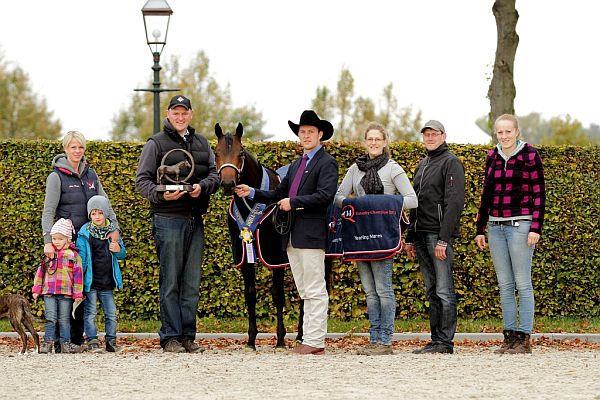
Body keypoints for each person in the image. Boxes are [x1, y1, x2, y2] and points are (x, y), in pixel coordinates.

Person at [235, 110, 338, 355]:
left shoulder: (327, 163)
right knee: (304, 289)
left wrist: (294, 202)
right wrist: (250, 192)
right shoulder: (296, 164)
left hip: (312, 235)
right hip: (292, 235)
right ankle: (310, 339)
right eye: (302, 132)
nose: (306, 136)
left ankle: (315, 341)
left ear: (320, 134)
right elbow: (276, 194)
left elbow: (325, 196)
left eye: (310, 132)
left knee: (314, 289)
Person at [135, 95, 220, 353]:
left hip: (195, 219)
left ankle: (187, 335)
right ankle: (170, 336)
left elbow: (215, 176)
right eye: (176, 112)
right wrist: (161, 195)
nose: (180, 117)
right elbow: (143, 181)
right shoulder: (155, 144)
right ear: (169, 114)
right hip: (168, 219)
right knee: (171, 280)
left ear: (191, 114)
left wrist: (201, 187)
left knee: (191, 282)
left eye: (184, 112)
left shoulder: (202, 143)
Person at [334, 122, 418, 355]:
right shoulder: (355, 169)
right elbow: (338, 196)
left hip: (384, 236)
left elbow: (412, 199)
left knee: (383, 290)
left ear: (385, 142)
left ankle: (385, 341)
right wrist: (356, 204)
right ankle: (374, 339)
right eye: (369, 139)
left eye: (377, 139)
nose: (373, 143)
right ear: (365, 142)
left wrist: (381, 203)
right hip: (361, 235)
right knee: (370, 291)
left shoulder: (393, 169)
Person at [42, 130, 120, 349]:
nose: (77, 151)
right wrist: (48, 240)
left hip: (91, 241)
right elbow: (48, 212)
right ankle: (62, 340)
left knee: (84, 289)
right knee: (66, 293)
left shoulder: (91, 175)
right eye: (73, 147)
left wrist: (115, 229)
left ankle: (78, 340)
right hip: (67, 244)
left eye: (81, 147)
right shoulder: (56, 177)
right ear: (65, 149)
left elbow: (106, 203)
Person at [475, 114, 545, 354]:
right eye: (500, 132)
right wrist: (480, 228)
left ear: (517, 131)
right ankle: (509, 336)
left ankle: (524, 338)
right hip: (495, 227)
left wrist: (536, 227)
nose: (504, 136)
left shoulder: (529, 154)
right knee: (505, 285)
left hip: (521, 225)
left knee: (523, 283)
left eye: (508, 132)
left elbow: (539, 194)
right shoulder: (492, 156)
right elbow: (486, 194)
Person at [405, 120, 465, 354]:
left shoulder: (451, 162)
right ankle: (435, 339)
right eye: (426, 134)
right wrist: (410, 237)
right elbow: (414, 203)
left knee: (444, 289)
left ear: (443, 136)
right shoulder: (422, 164)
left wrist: (443, 239)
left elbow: (454, 203)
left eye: (434, 134)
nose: (429, 138)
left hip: (438, 235)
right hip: (420, 234)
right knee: (432, 290)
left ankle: (445, 342)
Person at [76, 195, 126, 353]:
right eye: (93, 214)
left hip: (108, 282)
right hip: (91, 282)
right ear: (89, 215)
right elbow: (81, 260)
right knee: (90, 313)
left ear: (106, 214)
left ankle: (111, 341)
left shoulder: (113, 233)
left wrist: (118, 250)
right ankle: (92, 340)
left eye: (100, 213)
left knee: (111, 313)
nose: (97, 217)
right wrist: (80, 281)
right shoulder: (84, 234)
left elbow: (121, 254)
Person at [32, 218, 84, 354]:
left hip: (66, 293)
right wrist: (36, 289)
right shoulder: (49, 254)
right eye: (54, 238)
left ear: (67, 239)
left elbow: (78, 276)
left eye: (60, 239)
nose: (56, 242)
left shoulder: (73, 255)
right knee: (50, 318)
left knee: (64, 320)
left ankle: (65, 344)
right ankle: (48, 343)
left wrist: (78, 294)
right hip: (48, 292)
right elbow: (40, 272)